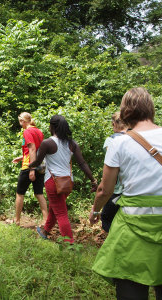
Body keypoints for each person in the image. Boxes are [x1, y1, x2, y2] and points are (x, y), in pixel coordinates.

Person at [89, 87, 162, 300]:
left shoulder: (119, 143)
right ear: (150, 108)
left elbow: (105, 189)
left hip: (132, 227)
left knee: (131, 287)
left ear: (125, 112)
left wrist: (96, 210)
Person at [29, 115, 97, 243]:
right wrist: (93, 180)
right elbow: (82, 164)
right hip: (67, 182)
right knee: (56, 208)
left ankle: (69, 242)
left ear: (52, 127)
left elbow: (38, 161)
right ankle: (45, 231)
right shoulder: (72, 144)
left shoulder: (47, 143)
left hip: (53, 182)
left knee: (61, 213)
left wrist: (29, 165)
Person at [12, 112, 48, 226]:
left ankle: (17, 221)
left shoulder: (27, 131)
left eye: (20, 121)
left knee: (19, 193)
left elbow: (32, 148)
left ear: (23, 121)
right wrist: (21, 157)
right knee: (39, 193)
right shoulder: (39, 131)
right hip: (40, 164)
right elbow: (37, 150)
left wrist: (32, 169)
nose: (20, 124)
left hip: (29, 166)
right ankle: (46, 220)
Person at [100, 112, 127, 233]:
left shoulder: (111, 140)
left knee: (106, 217)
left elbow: (112, 165)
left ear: (114, 124)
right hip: (132, 188)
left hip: (116, 189)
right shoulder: (135, 138)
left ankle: (116, 242)